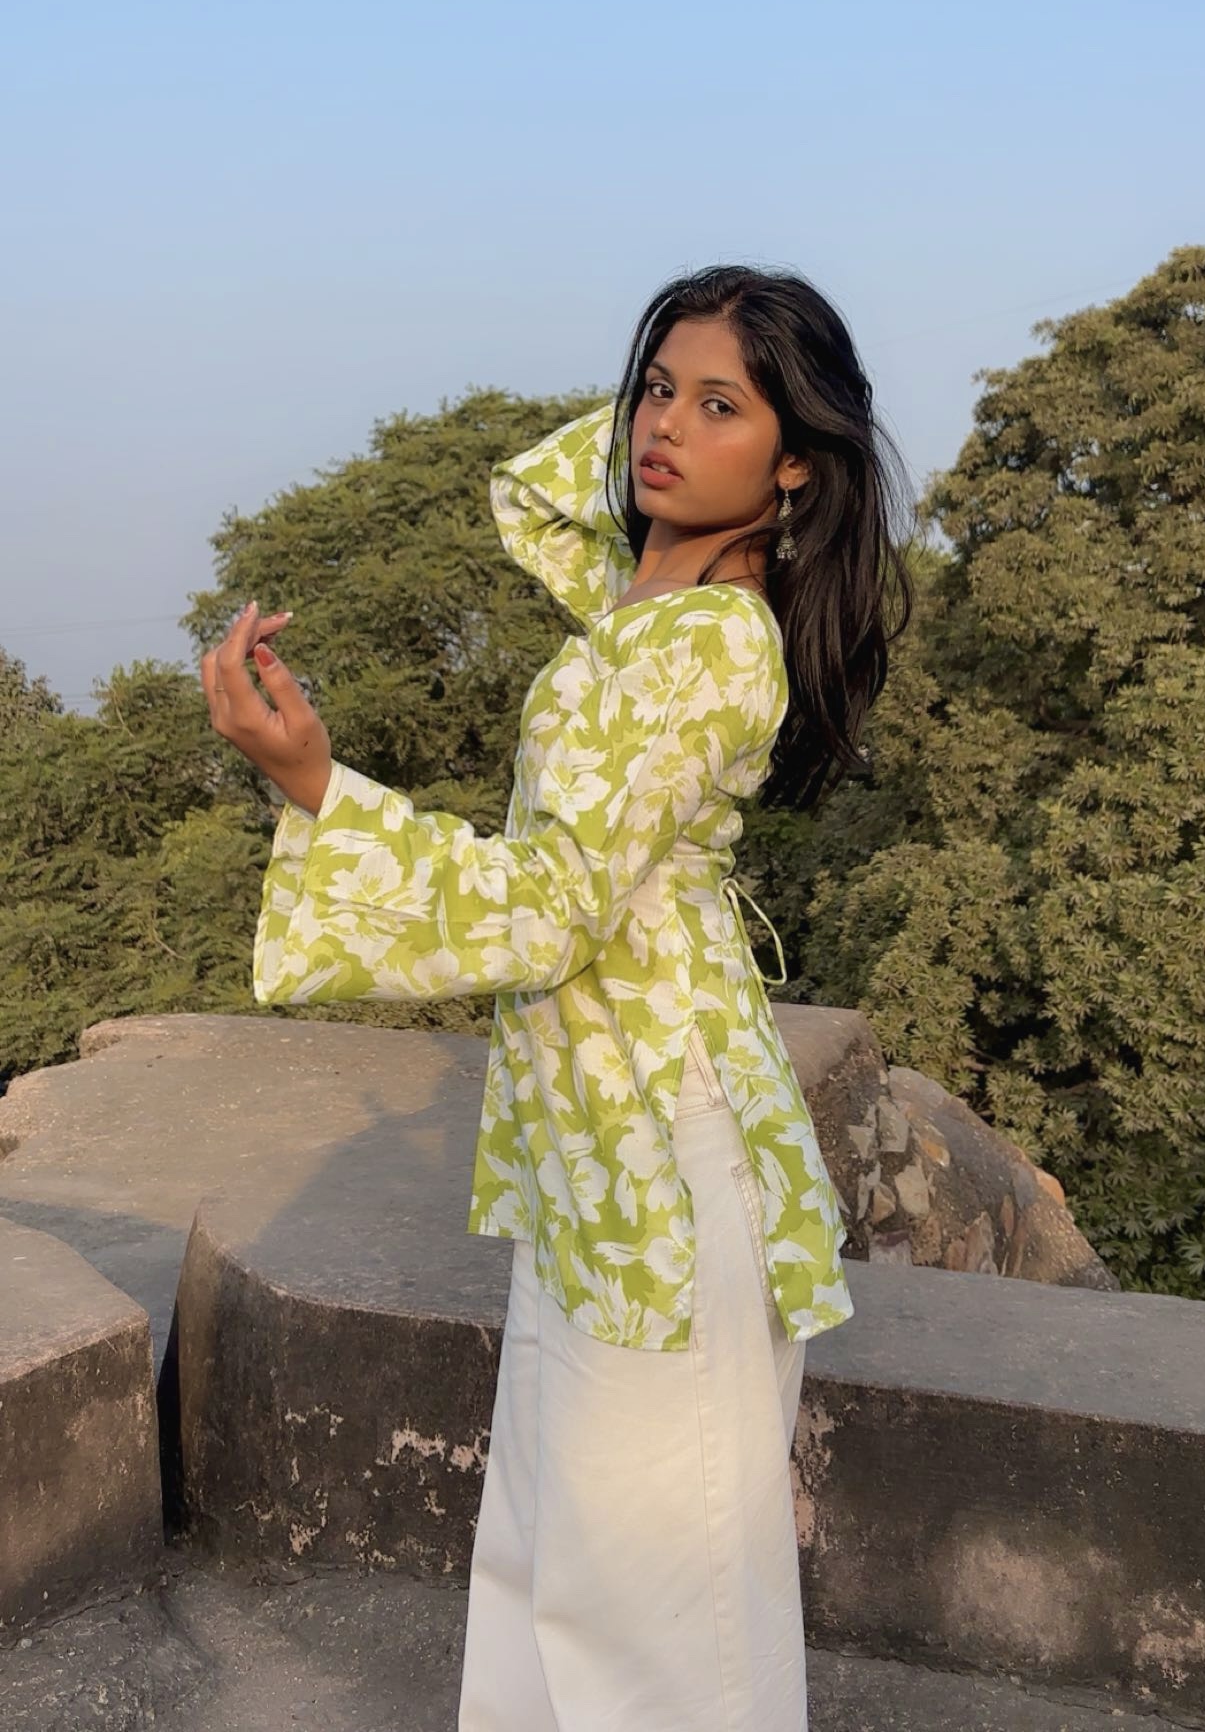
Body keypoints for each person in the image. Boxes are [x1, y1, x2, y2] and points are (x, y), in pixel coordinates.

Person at [200, 263, 915, 1731]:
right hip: (599, 1151)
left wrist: (316, 786)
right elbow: (537, 495)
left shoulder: (701, 646)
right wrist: (695, 396)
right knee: (547, 1567)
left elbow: (544, 909)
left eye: (719, 407)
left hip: (658, 1152)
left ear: (796, 462)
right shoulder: (644, 602)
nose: (661, 428)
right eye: (654, 389)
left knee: (659, 1623)